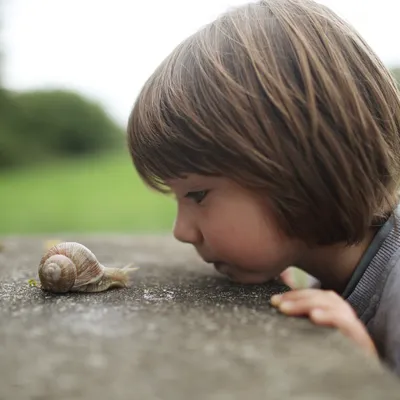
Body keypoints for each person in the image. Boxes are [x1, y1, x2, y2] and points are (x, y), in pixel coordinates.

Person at [127, 0, 400, 375]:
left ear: (301, 166)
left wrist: (367, 373)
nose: (181, 232)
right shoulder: (337, 268)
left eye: (197, 195)